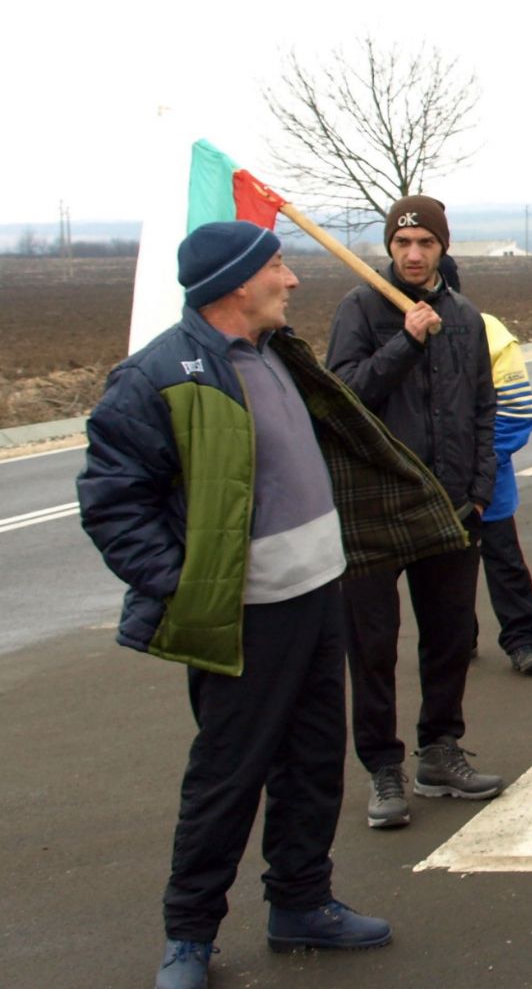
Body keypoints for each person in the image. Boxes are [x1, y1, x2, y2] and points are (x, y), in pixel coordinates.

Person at [79, 222, 469, 989]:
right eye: (278, 268)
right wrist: (187, 586)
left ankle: (301, 901)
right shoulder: (159, 375)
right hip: (248, 614)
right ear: (235, 286)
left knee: (315, 763)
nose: (291, 281)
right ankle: (188, 935)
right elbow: (112, 501)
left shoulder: (279, 355)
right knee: (229, 774)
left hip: (320, 593)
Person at [327, 195, 504, 829]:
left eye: (425, 243)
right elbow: (343, 397)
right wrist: (405, 341)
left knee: (450, 638)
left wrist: (479, 487)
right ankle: (382, 768)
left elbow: (484, 408)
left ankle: (440, 750)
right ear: (388, 248)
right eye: (402, 244)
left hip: (450, 505)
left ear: (442, 248)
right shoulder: (360, 309)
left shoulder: (465, 317)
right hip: (375, 507)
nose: (412, 253)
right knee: (372, 646)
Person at [477, 311, 532, 673]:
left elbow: (517, 411)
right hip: (423, 481)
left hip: (485, 480)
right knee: (437, 572)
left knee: (504, 561)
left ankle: (522, 641)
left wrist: (480, 464)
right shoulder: (387, 325)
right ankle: (455, 637)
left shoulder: (487, 330)